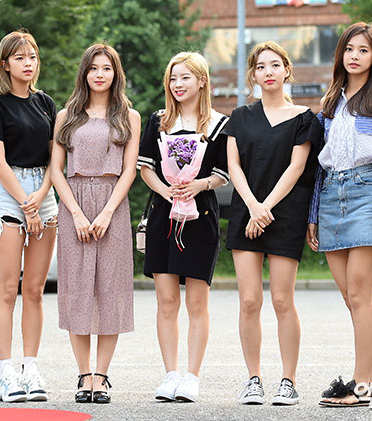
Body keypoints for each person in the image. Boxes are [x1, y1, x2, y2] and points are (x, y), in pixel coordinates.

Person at [305, 22, 372, 407]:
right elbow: (318, 166)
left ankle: (360, 385)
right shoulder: (329, 102)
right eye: (349, 49)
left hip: (368, 193)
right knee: (351, 299)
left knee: (359, 294)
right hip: (331, 195)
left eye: (363, 50)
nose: (355, 56)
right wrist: (313, 214)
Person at [223, 41, 322, 405]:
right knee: (249, 300)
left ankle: (288, 381)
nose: (268, 71)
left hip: (285, 214)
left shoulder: (304, 118)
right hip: (246, 212)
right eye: (261, 66)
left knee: (282, 299)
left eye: (275, 65)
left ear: (286, 70)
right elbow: (233, 167)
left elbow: (297, 168)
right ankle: (253, 379)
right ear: (253, 74)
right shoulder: (239, 117)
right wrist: (253, 207)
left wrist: (265, 208)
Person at [49, 43, 140, 404]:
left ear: (116, 74)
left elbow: (129, 170)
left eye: (107, 68)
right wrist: (75, 212)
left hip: (112, 205)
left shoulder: (128, 116)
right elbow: (56, 170)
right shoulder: (66, 115)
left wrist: (105, 213)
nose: (99, 74)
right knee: (77, 290)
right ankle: (83, 374)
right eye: (93, 68)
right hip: (74, 203)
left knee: (110, 290)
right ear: (84, 72)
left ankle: (101, 376)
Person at [137, 52, 229, 403]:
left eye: (185, 77)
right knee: (166, 299)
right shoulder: (158, 121)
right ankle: (170, 374)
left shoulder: (219, 124)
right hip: (163, 213)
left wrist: (199, 185)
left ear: (202, 81)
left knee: (196, 301)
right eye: (173, 78)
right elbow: (146, 168)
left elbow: (223, 173)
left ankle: (192, 376)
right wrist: (166, 190)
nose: (178, 84)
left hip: (200, 215)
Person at [0, 30, 58, 402]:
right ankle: (5, 374)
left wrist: (39, 198)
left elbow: (55, 158)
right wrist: (26, 203)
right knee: (8, 289)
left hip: (44, 190)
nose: (28, 63)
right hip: (9, 192)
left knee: (35, 290)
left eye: (33, 57)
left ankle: (31, 369)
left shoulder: (45, 103)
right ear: (5, 63)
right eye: (20, 57)